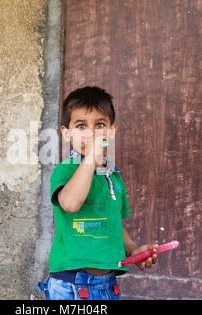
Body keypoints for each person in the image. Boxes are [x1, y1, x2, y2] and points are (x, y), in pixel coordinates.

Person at [37, 86, 159, 300]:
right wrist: (91, 158)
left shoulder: (113, 176)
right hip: (72, 283)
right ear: (67, 133)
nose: (91, 133)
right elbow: (71, 203)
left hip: (108, 284)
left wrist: (133, 251)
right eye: (81, 126)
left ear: (112, 131)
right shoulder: (65, 170)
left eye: (100, 125)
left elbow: (113, 225)